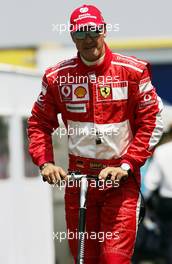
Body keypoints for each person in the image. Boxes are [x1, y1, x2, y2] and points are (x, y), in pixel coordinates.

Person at [27, 4, 164, 264]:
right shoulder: (57, 77)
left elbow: (153, 120)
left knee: (113, 260)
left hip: (120, 183)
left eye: (93, 30)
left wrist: (127, 165)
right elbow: (38, 123)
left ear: (103, 30)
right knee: (83, 260)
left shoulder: (133, 71)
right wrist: (45, 162)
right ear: (71, 36)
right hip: (78, 184)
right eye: (80, 33)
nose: (88, 38)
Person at [144, 127, 172, 264]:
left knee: (169, 240)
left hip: (167, 202)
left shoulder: (162, 151)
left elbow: (150, 183)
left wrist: (145, 201)